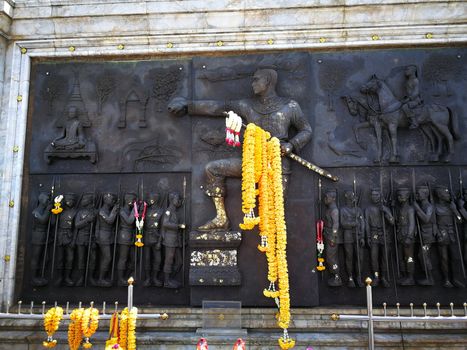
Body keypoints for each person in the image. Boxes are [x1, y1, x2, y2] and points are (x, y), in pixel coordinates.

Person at [168, 68, 312, 231]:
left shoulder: (290, 106)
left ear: (268, 81)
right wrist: (187, 105)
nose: (252, 84)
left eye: (256, 80)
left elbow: (306, 130)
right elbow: (219, 107)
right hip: (251, 162)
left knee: (274, 215)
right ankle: (221, 218)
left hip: (277, 165)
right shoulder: (247, 105)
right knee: (213, 169)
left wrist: (291, 145)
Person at [434, 185, 465, 288]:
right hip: (442, 235)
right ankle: (446, 279)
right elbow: (433, 223)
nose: (448, 195)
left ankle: (455, 279)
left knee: (455, 257)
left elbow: (460, 220)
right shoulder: (435, 207)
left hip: (452, 234)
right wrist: (438, 233)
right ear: (439, 195)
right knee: (444, 258)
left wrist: (455, 210)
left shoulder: (451, 206)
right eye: (446, 193)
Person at [364, 188, 394, 287]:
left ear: (380, 196)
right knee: (374, 257)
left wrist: (386, 212)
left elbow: (392, 222)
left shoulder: (385, 208)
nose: (374, 197)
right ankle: (376, 277)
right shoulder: (368, 209)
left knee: (385, 258)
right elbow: (367, 225)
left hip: (385, 235)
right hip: (373, 234)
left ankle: (383, 277)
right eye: (373, 195)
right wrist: (368, 237)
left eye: (376, 195)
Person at [339, 189, 365, 288]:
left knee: (359, 258)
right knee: (349, 257)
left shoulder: (358, 210)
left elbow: (362, 223)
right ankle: (350, 278)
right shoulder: (343, 210)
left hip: (358, 235)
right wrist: (354, 223)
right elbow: (343, 223)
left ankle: (358, 277)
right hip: (348, 235)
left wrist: (362, 236)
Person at [412, 185, 436, 286]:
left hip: (427, 236)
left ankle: (430, 278)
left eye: (419, 193)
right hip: (422, 235)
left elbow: (426, 219)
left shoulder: (429, 206)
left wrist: (417, 209)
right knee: (421, 255)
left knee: (423, 255)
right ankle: (428, 277)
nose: (417, 195)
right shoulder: (421, 205)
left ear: (426, 194)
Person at [161, 191, 185, 288]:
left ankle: (170, 278)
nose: (179, 201)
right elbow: (165, 223)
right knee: (169, 260)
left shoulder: (174, 211)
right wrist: (178, 226)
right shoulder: (168, 211)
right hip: (170, 238)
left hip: (176, 239)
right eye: (177, 199)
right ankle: (166, 282)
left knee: (179, 262)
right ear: (171, 200)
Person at [74, 193, 97, 286]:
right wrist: (87, 220)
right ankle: (81, 277)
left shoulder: (95, 212)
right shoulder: (80, 212)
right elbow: (77, 225)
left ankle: (91, 277)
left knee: (93, 258)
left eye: (85, 199)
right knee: (81, 258)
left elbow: (98, 227)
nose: (83, 201)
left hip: (92, 238)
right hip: (81, 237)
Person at [54, 193, 77, 286]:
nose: (69, 202)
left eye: (71, 200)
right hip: (60, 236)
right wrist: (55, 209)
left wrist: (74, 240)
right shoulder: (60, 211)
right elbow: (53, 223)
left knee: (70, 259)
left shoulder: (75, 212)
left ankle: (67, 277)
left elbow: (76, 228)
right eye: (68, 200)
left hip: (70, 236)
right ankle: (60, 277)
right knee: (60, 258)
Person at [96, 192, 118, 287]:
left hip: (109, 235)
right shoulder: (101, 211)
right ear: (105, 200)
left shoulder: (108, 210)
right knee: (107, 257)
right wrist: (114, 211)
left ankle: (102, 278)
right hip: (103, 236)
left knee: (107, 257)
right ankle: (101, 279)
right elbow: (110, 220)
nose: (113, 201)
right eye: (111, 199)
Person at [30, 191, 53, 286]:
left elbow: (51, 223)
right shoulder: (35, 212)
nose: (49, 202)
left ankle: (41, 275)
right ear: (42, 200)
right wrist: (48, 210)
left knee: (45, 258)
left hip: (45, 236)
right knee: (36, 257)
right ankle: (33, 278)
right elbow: (43, 220)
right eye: (47, 200)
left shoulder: (45, 211)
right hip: (38, 236)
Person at [143, 192, 165, 287]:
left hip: (156, 237)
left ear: (154, 199)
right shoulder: (144, 210)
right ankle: (148, 278)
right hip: (146, 237)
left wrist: (159, 241)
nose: (148, 199)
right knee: (147, 259)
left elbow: (162, 228)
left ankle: (155, 278)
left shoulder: (161, 211)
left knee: (158, 259)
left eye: (149, 198)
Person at [395, 188, 416, 286]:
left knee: (409, 257)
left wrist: (409, 237)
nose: (399, 197)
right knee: (401, 257)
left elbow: (412, 224)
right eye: (398, 195)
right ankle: (404, 276)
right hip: (400, 235)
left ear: (407, 196)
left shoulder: (410, 209)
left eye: (401, 195)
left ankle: (410, 277)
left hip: (407, 235)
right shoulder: (400, 208)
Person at [323, 189, 342, 287]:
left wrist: (333, 238)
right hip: (328, 235)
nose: (325, 199)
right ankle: (335, 275)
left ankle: (337, 277)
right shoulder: (329, 209)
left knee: (331, 258)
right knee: (330, 257)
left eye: (327, 197)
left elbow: (336, 225)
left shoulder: (334, 210)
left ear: (333, 198)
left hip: (332, 237)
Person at [117, 193, 137, 286]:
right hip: (124, 235)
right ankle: (120, 279)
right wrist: (135, 209)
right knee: (123, 258)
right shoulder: (122, 210)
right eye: (131, 199)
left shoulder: (131, 210)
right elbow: (129, 221)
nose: (133, 201)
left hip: (132, 236)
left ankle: (127, 276)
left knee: (134, 259)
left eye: (134, 200)